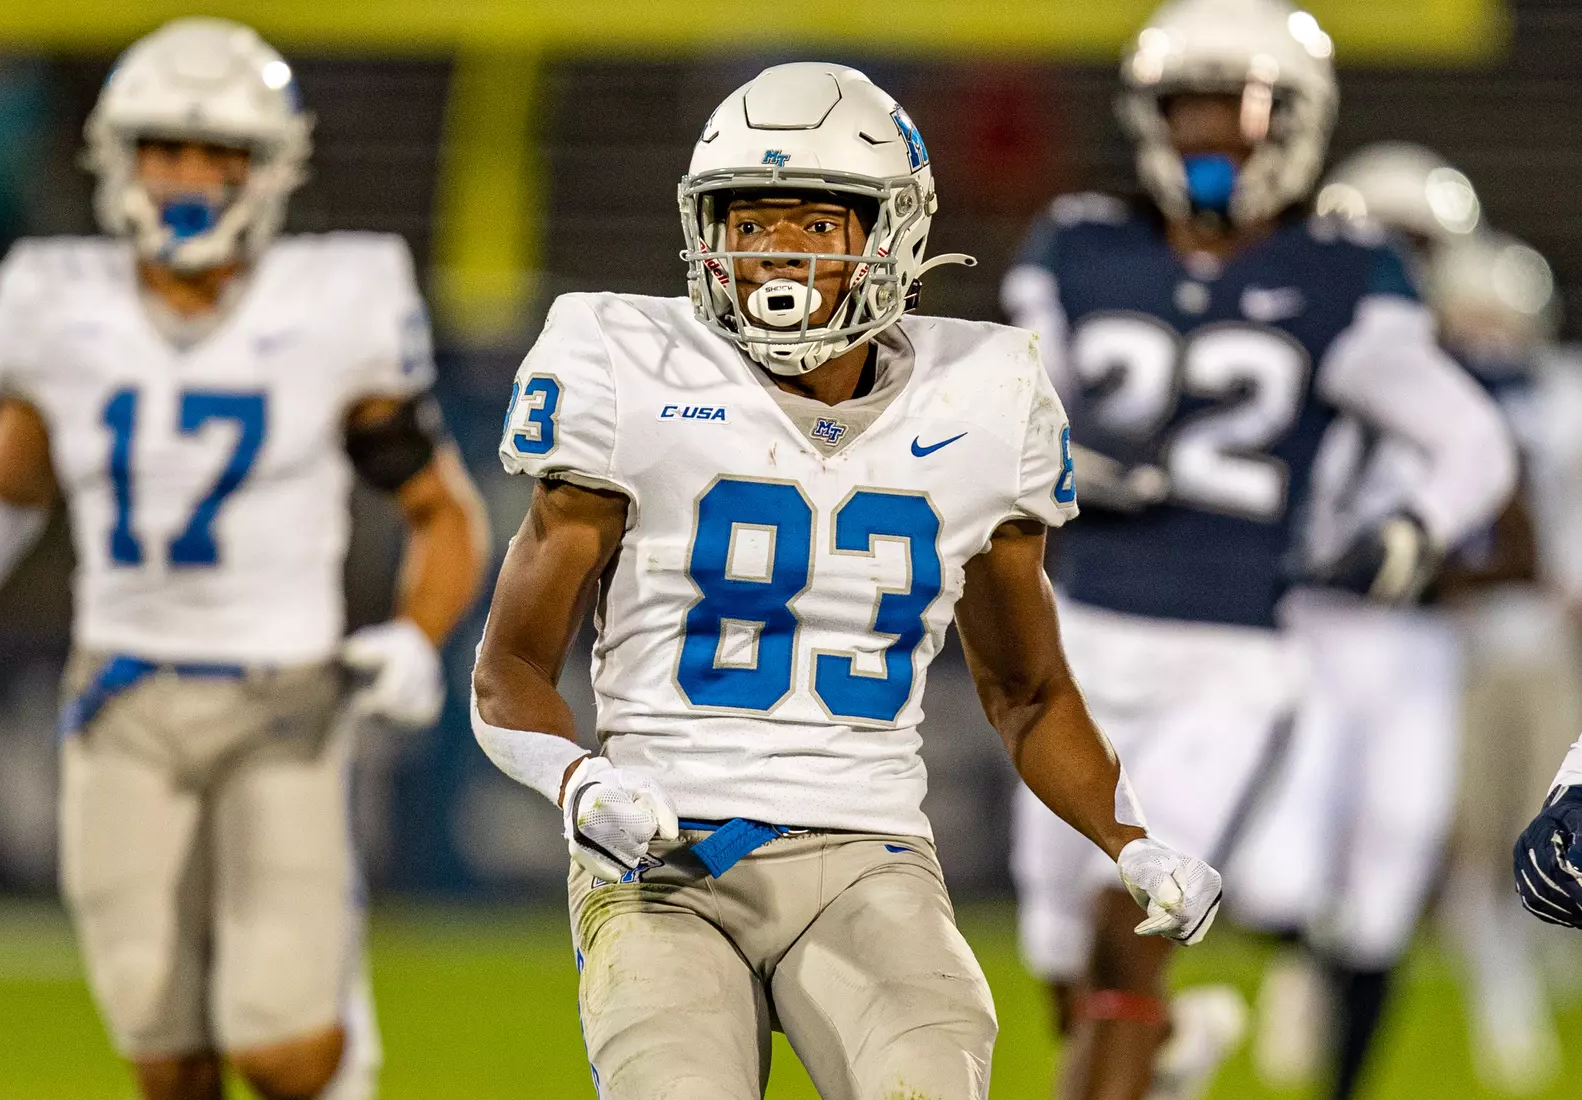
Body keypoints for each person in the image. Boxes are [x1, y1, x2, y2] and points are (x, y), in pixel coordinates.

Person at [471, 61, 1219, 1100]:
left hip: (871, 855)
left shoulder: (983, 400)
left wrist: (1129, 839)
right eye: (748, 222)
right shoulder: (624, 369)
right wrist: (580, 779)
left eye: (817, 225)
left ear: (894, 235)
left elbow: (1029, 690)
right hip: (668, 863)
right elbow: (508, 670)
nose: (774, 252)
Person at [0, 19, 489, 1100]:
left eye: (217, 153)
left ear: (267, 166)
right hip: (120, 701)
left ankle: (339, 1032)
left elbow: (441, 506)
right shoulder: (62, 307)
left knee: (282, 1047)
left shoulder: (333, 306)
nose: (189, 176)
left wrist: (422, 636)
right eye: (167, 149)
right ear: (117, 158)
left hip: (281, 699)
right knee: (165, 1053)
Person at [998, 3, 1517, 1098]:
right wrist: (1054, 458)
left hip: (1233, 651)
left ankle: (1147, 1044)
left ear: (1296, 120)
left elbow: (1469, 438)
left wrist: (1410, 532)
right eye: (1186, 111)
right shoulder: (1081, 243)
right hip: (1073, 635)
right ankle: (1172, 1057)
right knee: (1057, 956)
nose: (1210, 140)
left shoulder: (1345, 270)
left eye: (1235, 112)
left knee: (1123, 924)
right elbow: (1003, 402)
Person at [1227, 144, 1498, 1100]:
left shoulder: (1471, 372)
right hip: (1311, 623)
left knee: (1394, 859)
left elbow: (1501, 523)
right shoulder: (1294, 348)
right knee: (1274, 869)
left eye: (1417, 246)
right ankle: (1306, 958)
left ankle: (1346, 1081)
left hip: (1417, 641)